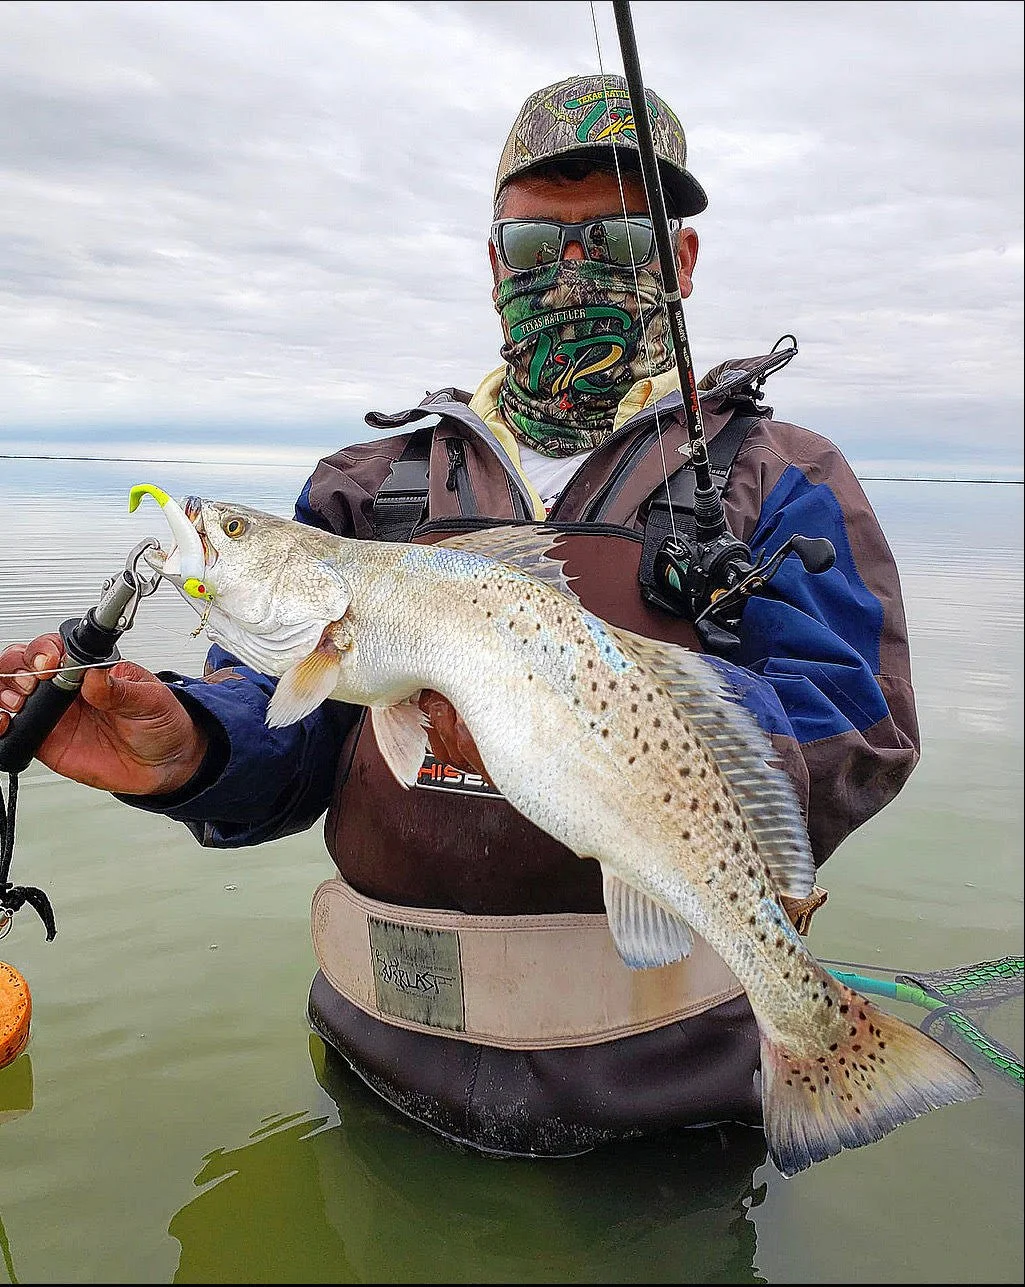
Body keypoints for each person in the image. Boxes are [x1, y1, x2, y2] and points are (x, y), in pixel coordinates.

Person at [0, 75, 919, 1157]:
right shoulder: (367, 486)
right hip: (374, 1077)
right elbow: (285, 733)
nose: (570, 270)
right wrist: (188, 747)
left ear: (679, 260)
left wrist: (622, 735)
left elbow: (858, 728)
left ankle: (819, 1041)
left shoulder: (778, 474)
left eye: (617, 239)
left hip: (667, 1102)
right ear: (492, 263)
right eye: (535, 244)